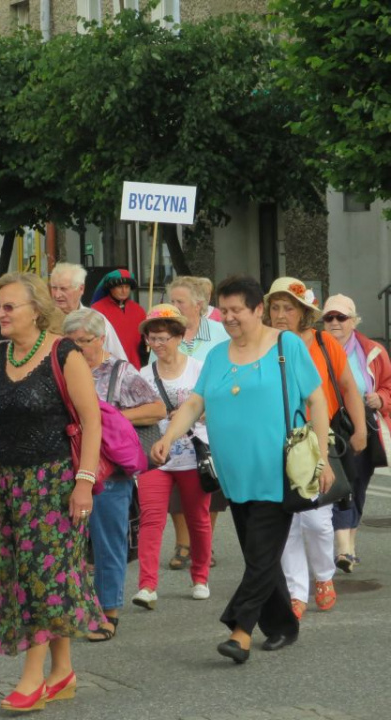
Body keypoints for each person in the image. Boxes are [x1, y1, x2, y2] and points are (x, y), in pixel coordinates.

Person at [0, 272, 104, 712]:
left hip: (56, 483)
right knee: (28, 575)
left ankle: (32, 677)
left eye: (10, 306)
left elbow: (92, 422)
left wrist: (84, 482)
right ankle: (63, 669)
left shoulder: (62, 352)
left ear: (37, 310)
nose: (0, 313)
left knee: (40, 579)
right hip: (12, 485)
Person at [151, 275, 334, 664]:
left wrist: (323, 458)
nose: (230, 318)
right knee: (259, 555)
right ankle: (284, 625)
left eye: (238, 310)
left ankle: (240, 630)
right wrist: (170, 437)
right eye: (226, 310)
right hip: (234, 473)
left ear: (257, 310)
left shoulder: (286, 346)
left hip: (279, 470)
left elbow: (317, 401)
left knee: (262, 553)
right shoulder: (217, 356)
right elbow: (195, 402)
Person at [265, 277, 366, 619]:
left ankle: (323, 575)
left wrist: (361, 429)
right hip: (275, 441)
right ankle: (297, 592)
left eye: (288, 308)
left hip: (317, 441)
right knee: (288, 522)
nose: (281, 315)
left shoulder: (324, 343)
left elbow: (349, 387)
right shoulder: (263, 344)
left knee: (318, 522)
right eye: (275, 307)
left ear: (303, 313)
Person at [63, 308, 165, 641]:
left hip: (109, 471)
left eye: (84, 341)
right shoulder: (61, 370)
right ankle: (77, 606)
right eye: (71, 342)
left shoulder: (120, 372)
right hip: (68, 466)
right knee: (70, 542)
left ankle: (108, 611)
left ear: (101, 338)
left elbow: (157, 409)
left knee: (107, 540)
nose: (78, 349)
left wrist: (114, 417)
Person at [132, 304, 212, 612]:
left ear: (179, 336)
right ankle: (147, 585)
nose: (157, 345)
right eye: (152, 339)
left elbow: (211, 407)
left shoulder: (198, 368)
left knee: (198, 520)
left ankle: (200, 577)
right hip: (155, 456)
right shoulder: (141, 375)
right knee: (151, 520)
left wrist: (194, 414)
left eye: (163, 338)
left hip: (194, 455)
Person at [165, 276, 232, 572]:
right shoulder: (165, 332)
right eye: (171, 301)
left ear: (199, 305)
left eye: (179, 302)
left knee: (208, 482)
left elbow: (231, 371)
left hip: (209, 421)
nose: (174, 306)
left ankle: (205, 543)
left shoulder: (220, 333)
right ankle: (183, 542)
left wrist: (214, 407)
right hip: (170, 420)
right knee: (175, 483)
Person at [323, 294, 391, 571]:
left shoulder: (373, 351)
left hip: (363, 425)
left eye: (341, 317)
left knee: (359, 485)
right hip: (326, 424)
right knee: (340, 484)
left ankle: (349, 543)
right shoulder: (314, 348)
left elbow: (388, 386)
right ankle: (343, 549)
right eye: (329, 318)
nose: (335, 323)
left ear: (353, 321)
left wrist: (381, 399)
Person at [48, 262, 127, 362]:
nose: (57, 295)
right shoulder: (42, 320)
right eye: (54, 288)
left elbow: (119, 360)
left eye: (63, 289)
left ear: (81, 289)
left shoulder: (97, 319)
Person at [91, 269, 147, 369]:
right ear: (111, 288)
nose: (124, 291)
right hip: (109, 367)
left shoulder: (139, 310)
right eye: (120, 287)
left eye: (127, 287)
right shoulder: (97, 310)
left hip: (136, 366)